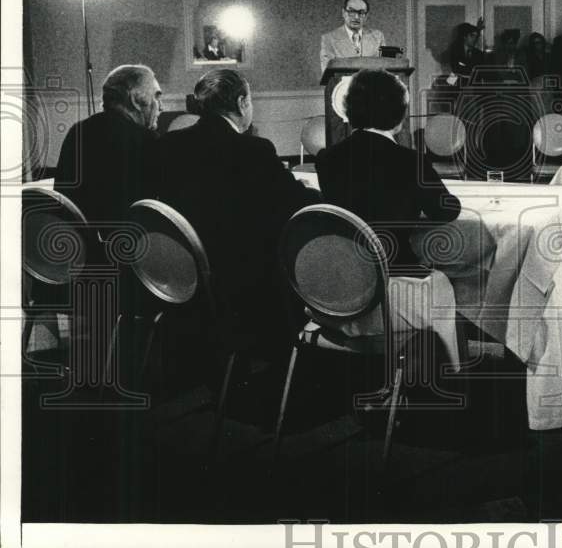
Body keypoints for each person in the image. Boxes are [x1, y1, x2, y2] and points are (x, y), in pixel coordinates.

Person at [157, 69, 316, 354]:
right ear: (242, 102)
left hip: (182, 271)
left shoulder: (167, 146)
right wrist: (311, 191)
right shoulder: (254, 149)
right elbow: (293, 203)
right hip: (242, 278)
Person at [315, 69, 465, 365]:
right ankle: (454, 371)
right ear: (399, 116)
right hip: (391, 293)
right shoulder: (410, 161)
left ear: (349, 111)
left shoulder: (327, 160)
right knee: (447, 282)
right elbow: (447, 209)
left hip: (342, 292)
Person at [54, 64, 162, 236]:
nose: (160, 106)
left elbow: (63, 200)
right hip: (129, 251)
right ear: (135, 100)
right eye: (156, 97)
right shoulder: (147, 140)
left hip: (77, 246)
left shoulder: (78, 131)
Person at [319, 0, 386, 74]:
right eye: (351, 11)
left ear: (367, 16)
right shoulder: (329, 39)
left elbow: (385, 69)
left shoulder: (378, 37)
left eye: (361, 12)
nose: (356, 17)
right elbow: (327, 74)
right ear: (343, 13)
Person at [446, 20, 486, 86]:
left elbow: (480, 73)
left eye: (476, 36)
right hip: (457, 86)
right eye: (472, 36)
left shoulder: (479, 54)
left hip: (474, 88)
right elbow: (455, 69)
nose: (475, 39)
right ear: (465, 37)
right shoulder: (456, 51)